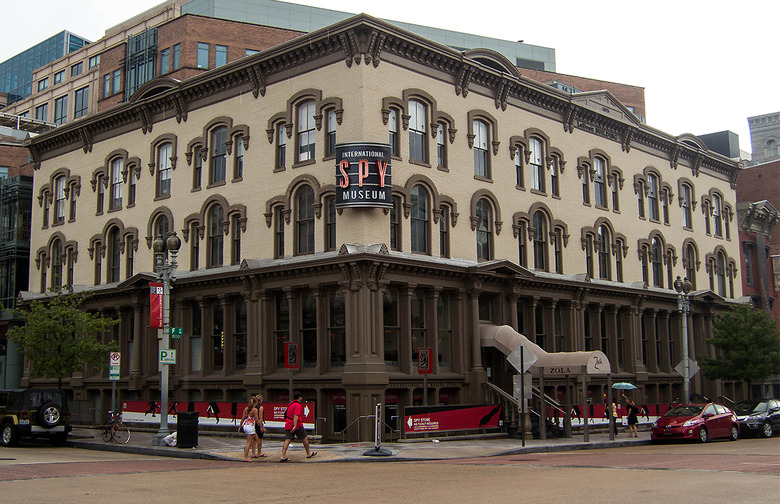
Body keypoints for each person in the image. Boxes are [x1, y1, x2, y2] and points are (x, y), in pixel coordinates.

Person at [280, 392, 316, 462]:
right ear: (299, 397)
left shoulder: (290, 404)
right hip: (297, 425)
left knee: (287, 440)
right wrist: (295, 425)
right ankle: (308, 453)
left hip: (288, 424)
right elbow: (296, 415)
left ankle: (282, 456)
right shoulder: (298, 405)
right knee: (304, 438)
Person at [239, 396, 258, 461]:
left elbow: (242, 418)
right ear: (255, 403)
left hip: (245, 425)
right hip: (250, 427)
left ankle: (253, 453)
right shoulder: (255, 410)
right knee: (249, 442)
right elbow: (257, 420)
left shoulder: (246, 409)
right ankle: (245, 457)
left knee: (256, 438)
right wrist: (262, 427)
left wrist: (240, 427)